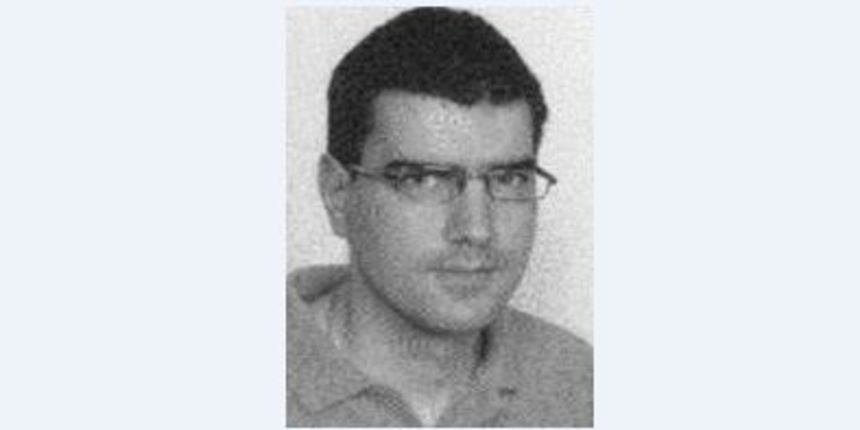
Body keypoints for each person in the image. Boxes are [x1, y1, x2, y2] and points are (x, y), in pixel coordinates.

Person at [287, 7, 592, 427]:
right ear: (337, 193)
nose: (476, 229)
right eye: (425, 180)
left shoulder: (579, 385)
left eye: (508, 179)